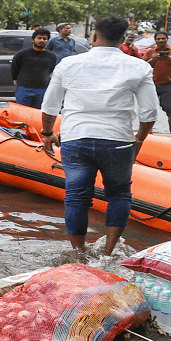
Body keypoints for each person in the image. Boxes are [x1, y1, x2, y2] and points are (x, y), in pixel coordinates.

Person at [40, 15, 157, 256]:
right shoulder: (139, 66)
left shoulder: (68, 64)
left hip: (76, 138)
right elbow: (149, 112)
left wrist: (48, 132)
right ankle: (108, 252)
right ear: (124, 39)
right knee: (119, 193)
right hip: (118, 140)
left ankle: (79, 251)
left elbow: (50, 105)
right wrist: (139, 139)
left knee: (76, 197)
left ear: (94, 37)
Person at [144, 32, 171, 134]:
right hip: (152, 83)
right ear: (155, 40)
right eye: (158, 39)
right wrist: (154, 59)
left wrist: (170, 59)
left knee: (167, 105)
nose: (161, 40)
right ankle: (149, 129)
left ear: (167, 39)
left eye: (163, 38)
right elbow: (143, 66)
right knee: (150, 107)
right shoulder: (150, 52)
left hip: (168, 83)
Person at [10, 28, 57, 109]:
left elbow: (51, 69)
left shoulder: (52, 56)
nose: (42, 40)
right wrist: (15, 79)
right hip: (24, 88)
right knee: (22, 113)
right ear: (33, 39)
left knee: (38, 114)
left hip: (42, 89)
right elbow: (15, 67)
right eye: (39, 38)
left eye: (44, 39)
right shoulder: (22, 54)